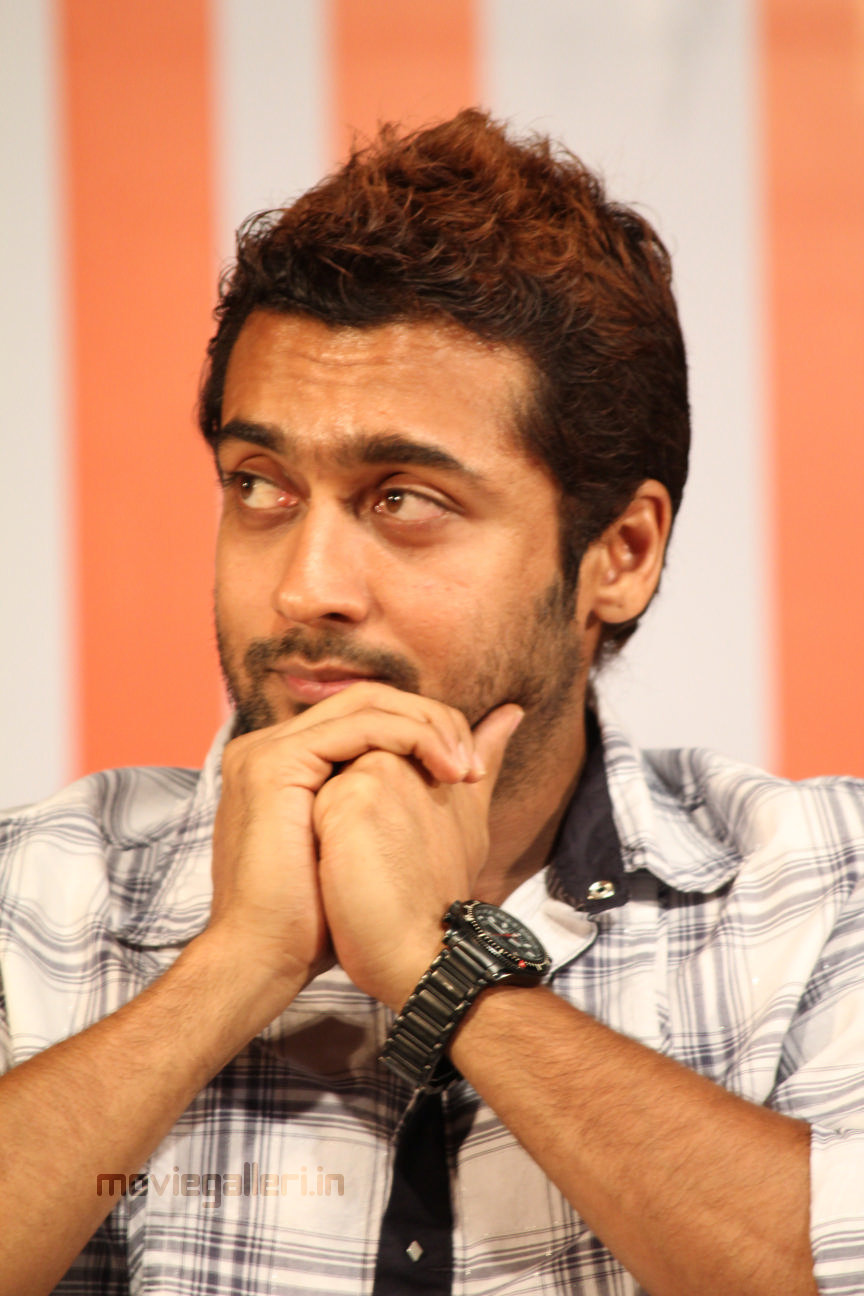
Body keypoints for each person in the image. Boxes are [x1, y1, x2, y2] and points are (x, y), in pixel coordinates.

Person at [0, 108, 861, 1296]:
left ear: (620, 554)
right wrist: (232, 968)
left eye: (402, 498)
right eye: (259, 485)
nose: (305, 585)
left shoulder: (821, 890)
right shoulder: (36, 893)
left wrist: (443, 971)